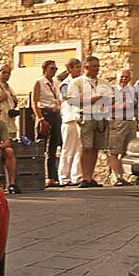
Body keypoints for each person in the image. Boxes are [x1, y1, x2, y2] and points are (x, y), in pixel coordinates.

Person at [65, 55, 112, 188]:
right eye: (94, 66)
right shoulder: (76, 82)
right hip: (85, 115)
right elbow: (71, 100)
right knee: (86, 147)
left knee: (96, 147)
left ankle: (90, 176)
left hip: (100, 116)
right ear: (86, 67)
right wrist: (90, 100)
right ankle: (84, 177)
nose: (97, 69)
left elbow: (111, 98)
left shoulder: (103, 82)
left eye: (98, 66)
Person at [32, 60, 63, 187]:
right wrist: (40, 118)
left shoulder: (56, 82)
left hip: (55, 113)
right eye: (52, 68)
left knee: (53, 147)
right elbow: (34, 102)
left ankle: (51, 177)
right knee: (41, 147)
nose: (54, 71)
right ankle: (39, 175)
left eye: (55, 69)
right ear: (45, 69)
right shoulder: (39, 82)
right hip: (45, 113)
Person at [108, 68, 138, 186]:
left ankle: (123, 175)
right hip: (117, 122)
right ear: (117, 78)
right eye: (122, 76)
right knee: (115, 150)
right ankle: (116, 176)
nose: (124, 79)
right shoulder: (111, 91)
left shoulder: (133, 91)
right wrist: (122, 106)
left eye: (126, 77)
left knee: (128, 150)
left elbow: (136, 105)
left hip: (130, 122)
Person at [58, 57, 83, 187]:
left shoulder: (82, 81)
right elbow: (71, 99)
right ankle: (64, 176)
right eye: (76, 67)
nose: (79, 69)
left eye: (80, 67)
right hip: (69, 118)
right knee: (68, 148)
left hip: (80, 117)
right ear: (70, 69)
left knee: (80, 148)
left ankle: (77, 176)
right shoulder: (65, 84)